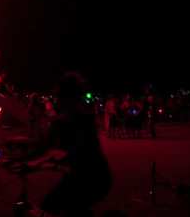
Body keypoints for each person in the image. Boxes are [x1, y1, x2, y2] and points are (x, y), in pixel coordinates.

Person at [8, 72, 112, 217]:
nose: (59, 102)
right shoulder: (59, 123)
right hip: (76, 176)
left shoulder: (85, 120)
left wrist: (67, 158)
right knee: (48, 206)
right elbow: (44, 147)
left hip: (96, 178)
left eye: (63, 98)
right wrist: (19, 159)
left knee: (71, 208)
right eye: (59, 98)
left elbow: (85, 146)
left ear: (73, 99)